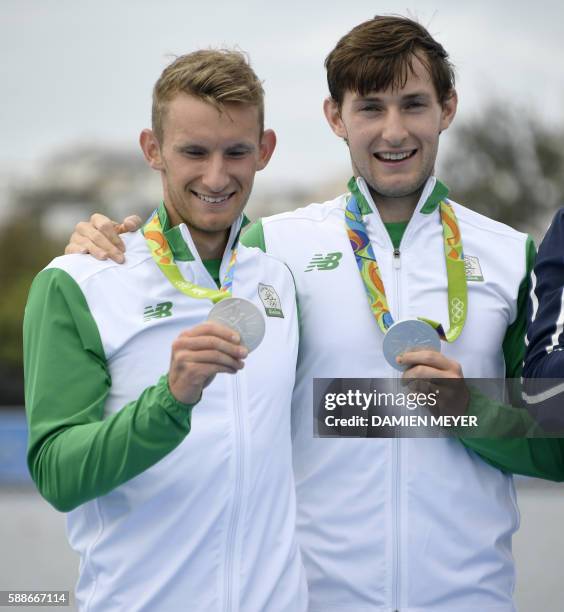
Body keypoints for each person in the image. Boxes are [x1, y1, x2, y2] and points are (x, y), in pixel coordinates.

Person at [64, 16, 564, 611]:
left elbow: (553, 443)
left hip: (471, 598)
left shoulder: (511, 255)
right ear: (335, 117)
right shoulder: (270, 249)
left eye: (414, 104)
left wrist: (468, 411)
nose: (394, 131)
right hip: (314, 599)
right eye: (370, 108)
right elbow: (177, 259)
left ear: (447, 108)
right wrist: (109, 245)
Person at [24, 50, 308, 611]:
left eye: (236, 152)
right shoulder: (78, 282)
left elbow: (329, 421)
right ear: (152, 150)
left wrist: (461, 405)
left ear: (265, 150)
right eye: (193, 152)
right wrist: (170, 399)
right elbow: (57, 475)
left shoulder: (279, 277)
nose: (216, 176)